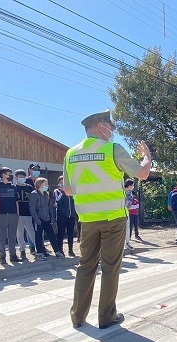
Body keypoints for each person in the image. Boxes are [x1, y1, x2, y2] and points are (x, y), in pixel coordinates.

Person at [64, 110, 152, 329]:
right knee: (111, 267)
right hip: (113, 218)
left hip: (87, 220)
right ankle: (107, 316)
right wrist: (147, 156)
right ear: (100, 125)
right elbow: (141, 173)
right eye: (109, 127)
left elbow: (67, 190)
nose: (111, 131)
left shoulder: (70, 154)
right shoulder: (112, 149)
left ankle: (78, 317)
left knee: (85, 266)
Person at [0, 167, 22, 264]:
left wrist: (17, 213)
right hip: (1, 214)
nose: (11, 176)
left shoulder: (13, 187)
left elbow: (16, 201)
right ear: (3, 175)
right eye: (9, 174)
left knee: (12, 235)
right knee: (2, 236)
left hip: (13, 214)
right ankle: (2, 256)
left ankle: (13, 255)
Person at [30, 177, 63, 260]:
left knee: (51, 235)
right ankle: (40, 253)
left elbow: (50, 208)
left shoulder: (46, 194)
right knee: (39, 237)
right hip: (39, 218)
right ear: (39, 184)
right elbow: (32, 208)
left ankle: (57, 251)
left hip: (47, 218)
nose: (46, 185)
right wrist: (36, 219)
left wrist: (52, 219)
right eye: (45, 184)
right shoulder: (34, 194)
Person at [14, 169, 37, 259]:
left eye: (23, 177)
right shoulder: (14, 187)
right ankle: (22, 250)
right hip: (18, 214)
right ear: (16, 177)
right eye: (20, 177)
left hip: (28, 213)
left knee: (32, 232)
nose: (22, 179)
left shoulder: (29, 187)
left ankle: (37, 248)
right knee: (19, 233)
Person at [54, 175, 78, 257]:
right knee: (61, 233)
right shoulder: (57, 191)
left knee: (70, 233)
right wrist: (64, 192)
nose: (62, 184)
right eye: (61, 183)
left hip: (71, 216)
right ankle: (60, 249)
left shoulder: (71, 192)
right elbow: (58, 201)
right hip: (62, 216)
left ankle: (70, 250)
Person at [124, 179, 137, 250]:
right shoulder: (128, 192)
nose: (133, 187)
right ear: (129, 185)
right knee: (126, 228)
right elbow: (128, 203)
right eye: (132, 185)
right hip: (123, 211)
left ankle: (127, 243)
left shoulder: (125, 191)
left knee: (126, 228)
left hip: (124, 211)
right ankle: (127, 243)